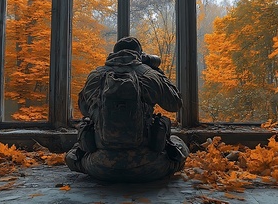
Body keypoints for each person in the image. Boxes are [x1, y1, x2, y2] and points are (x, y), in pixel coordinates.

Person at [65, 36, 189, 182]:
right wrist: (158, 72)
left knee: (73, 153)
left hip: (100, 166)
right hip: (149, 166)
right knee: (178, 143)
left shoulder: (96, 75)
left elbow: (84, 109)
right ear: (140, 55)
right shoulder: (150, 74)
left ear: (115, 53)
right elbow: (175, 104)